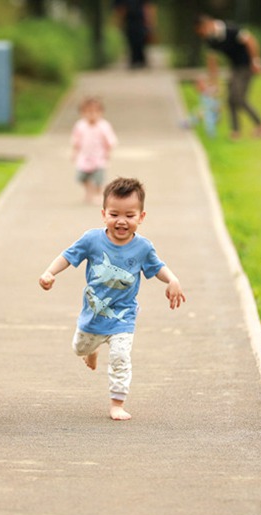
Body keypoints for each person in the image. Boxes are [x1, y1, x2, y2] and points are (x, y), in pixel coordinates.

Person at [38, 177, 186, 421]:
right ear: (104, 213)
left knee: (120, 358)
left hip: (123, 316)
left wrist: (172, 279)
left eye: (130, 215)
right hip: (93, 315)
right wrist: (49, 273)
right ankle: (92, 349)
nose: (121, 221)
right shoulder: (92, 240)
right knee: (79, 348)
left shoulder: (143, 247)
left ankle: (117, 403)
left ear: (141, 217)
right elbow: (67, 255)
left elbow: (157, 266)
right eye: (115, 214)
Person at [196, 14, 261, 140]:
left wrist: (256, 61)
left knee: (238, 97)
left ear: (207, 25)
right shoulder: (211, 40)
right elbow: (212, 61)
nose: (203, 34)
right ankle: (235, 131)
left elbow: (251, 41)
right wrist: (214, 82)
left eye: (202, 30)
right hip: (235, 68)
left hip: (247, 66)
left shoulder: (231, 30)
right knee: (230, 100)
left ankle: (260, 126)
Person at [71, 97, 118, 204]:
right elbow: (76, 141)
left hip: (99, 157)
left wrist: (108, 153)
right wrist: (74, 153)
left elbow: (110, 141)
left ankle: (98, 194)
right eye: (88, 112)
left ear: (101, 113)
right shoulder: (80, 126)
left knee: (99, 178)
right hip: (84, 157)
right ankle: (89, 190)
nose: (91, 114)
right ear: (82, 113)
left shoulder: (104, 126)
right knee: (81, 177)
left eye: (95, 112)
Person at [113, 0, 157, 69]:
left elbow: (148, 6)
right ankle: (136, 59)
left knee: (139, 40)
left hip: (139, 20)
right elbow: (120, 8)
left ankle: (138, 59)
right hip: (130, 21)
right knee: (133, 40)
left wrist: (150, 22)